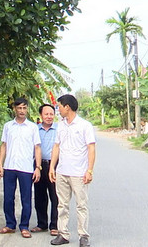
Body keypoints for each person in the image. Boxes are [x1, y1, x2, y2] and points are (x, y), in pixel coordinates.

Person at [49, 94, 96, 247]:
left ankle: (83, 236)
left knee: (81, 205)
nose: (58, 110)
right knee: (62, 204)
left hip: (79, 173)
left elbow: (91, 148)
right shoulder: (60, 125)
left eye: (60, 106)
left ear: (67, 107)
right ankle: (63, 234)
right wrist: (52, 167)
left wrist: (89, 170)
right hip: (62, 171)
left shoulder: (84, 125)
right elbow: (56, 146)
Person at [0, 97, 41, 239]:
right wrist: (0, 165)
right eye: (19, 108)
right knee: (8, 198)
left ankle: (24, 226)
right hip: (9, 167)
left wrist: (38, 167)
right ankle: (10, 225)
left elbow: (37, 147)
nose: (22, 111)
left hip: (26, 168)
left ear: (27, 109)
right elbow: (4, 145)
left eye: (24, 108)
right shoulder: (8, 126)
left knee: (26, 198)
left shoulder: (33, 127)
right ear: (14, 109)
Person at [32, 104, 59, 236]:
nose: (49, 117)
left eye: (51, 114)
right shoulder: (35, 129)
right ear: (41, 115)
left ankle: (54, 225)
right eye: (46, 114)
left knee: (55, 196)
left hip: (54, 165)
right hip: (38, 165)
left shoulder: (59, 129)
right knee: (39, 196)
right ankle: (41, 224)